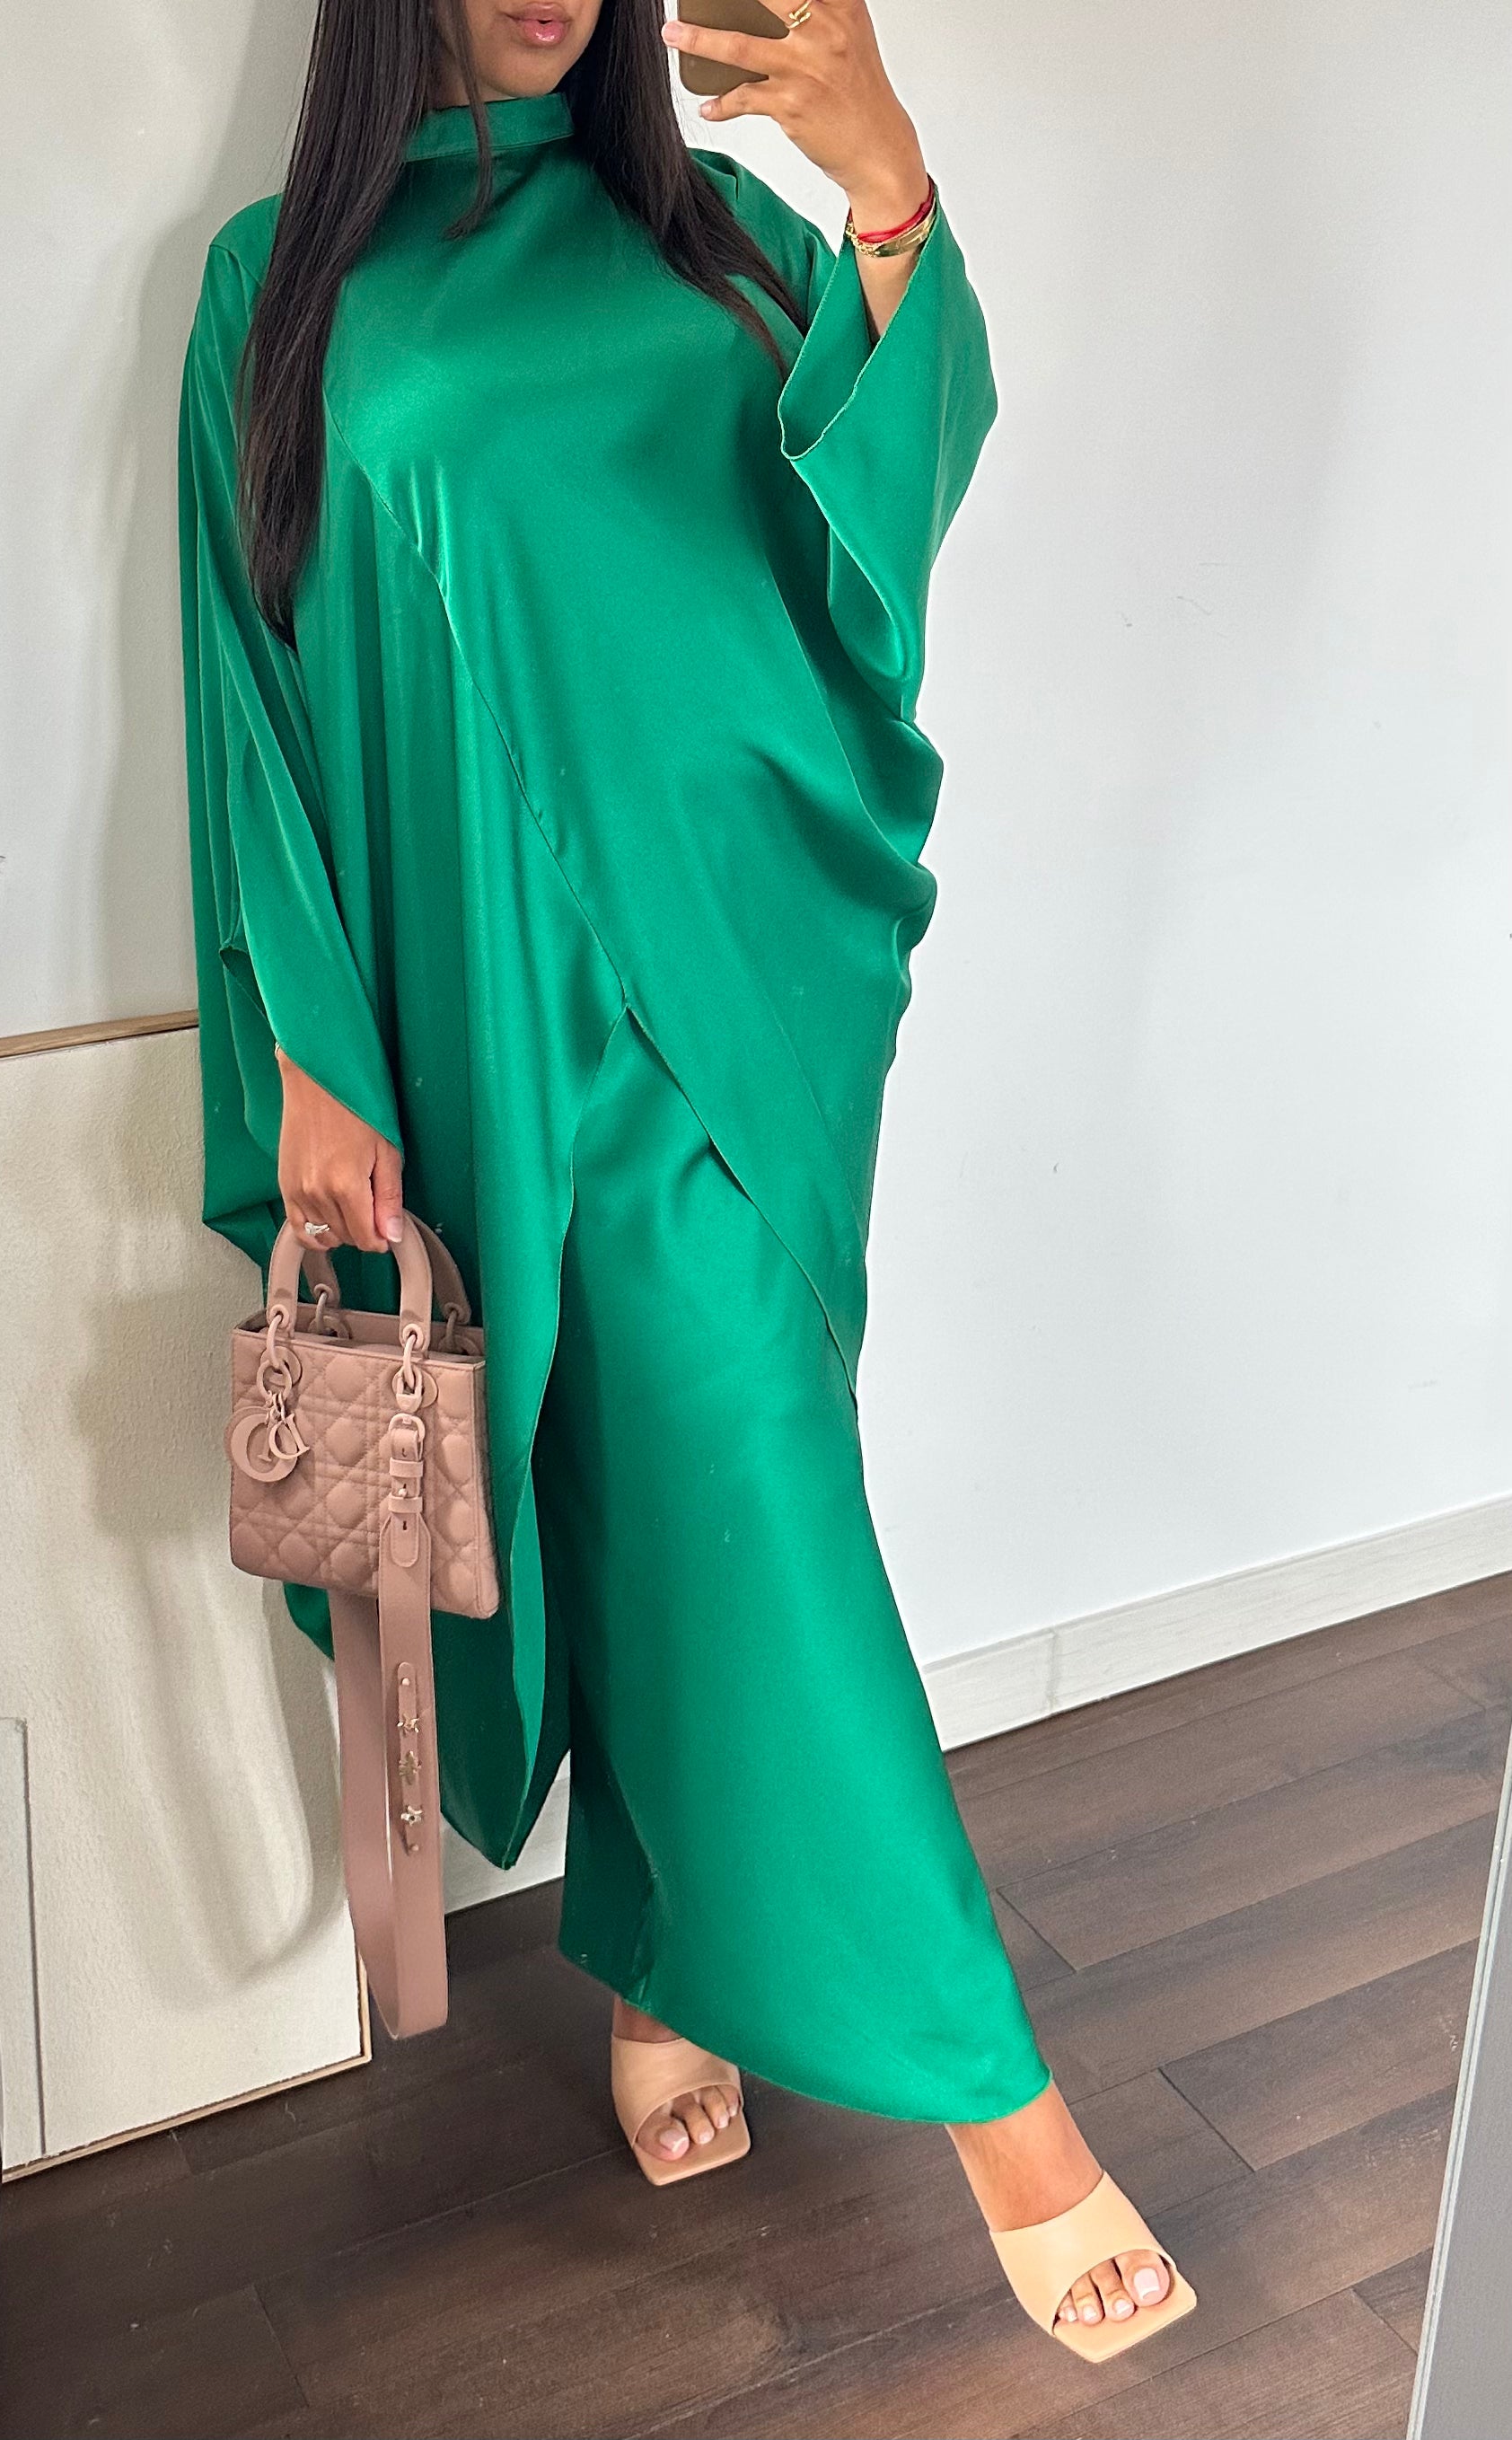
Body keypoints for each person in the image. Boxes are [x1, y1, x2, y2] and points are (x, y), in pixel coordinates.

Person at [179, 0, 1194, 2358]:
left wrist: (888, 189)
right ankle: (661, 1962)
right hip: (469, 1001)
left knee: (743, 1483)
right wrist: (313, 1046)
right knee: (609, 1482)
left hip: (727, 1003)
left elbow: (875, 532)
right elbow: (244, 663)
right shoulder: (277, 281)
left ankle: (1000, 2106)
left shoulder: (719, 235)